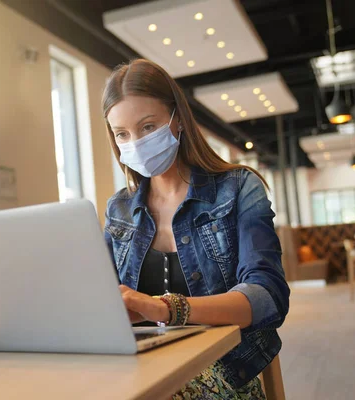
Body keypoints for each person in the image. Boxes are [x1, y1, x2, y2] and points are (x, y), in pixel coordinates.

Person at [102, 59, 290, 400]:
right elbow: (101, 297)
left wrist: (168, 308)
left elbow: (268, 296)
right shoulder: (119, 210)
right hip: (139, 367)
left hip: (225, 370)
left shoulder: (238, 188)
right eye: (122, 134)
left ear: (178, 121)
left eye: (147, 127)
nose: (135, 142)